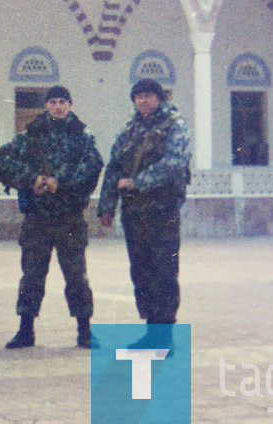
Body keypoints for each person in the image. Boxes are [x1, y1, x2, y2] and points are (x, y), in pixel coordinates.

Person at [0, 85, 103, 349]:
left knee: (76, 276)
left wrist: (61, 183)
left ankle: (84, 330)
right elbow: (3, 160)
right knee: (32, 275)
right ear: (46, 105)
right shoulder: (30, 134)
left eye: (63, 102)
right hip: (38, 218)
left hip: (69, 218)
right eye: (53, 101)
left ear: (70, 105)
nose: (58, 106)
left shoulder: (83, 136)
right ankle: (25, 330)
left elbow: (92, 168)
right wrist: (31, 179)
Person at [97, 78, 191, 350]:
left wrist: (137, 182)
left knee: (164, 272)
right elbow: (114, 166)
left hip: (163, 211)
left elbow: (174, 164)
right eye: (138, 97)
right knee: (141, 272)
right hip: (134, 213)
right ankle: (152, 332)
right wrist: (107, 205)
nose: (143, 101)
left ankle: (164, 337)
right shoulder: (130, 129)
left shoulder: (175, 124)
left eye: (148, 96)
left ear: (159, 98)